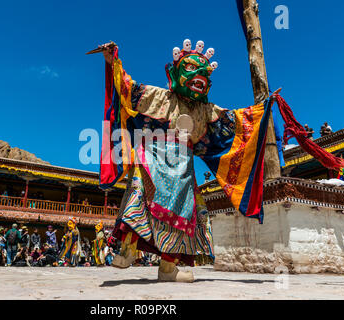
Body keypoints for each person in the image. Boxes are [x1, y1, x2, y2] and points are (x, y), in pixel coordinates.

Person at [97, 40, 276, 282]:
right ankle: (128, 249)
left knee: (185, 216)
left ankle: (168, 268)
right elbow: (128, 88)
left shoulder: (206, 111)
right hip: (153, 158)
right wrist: (113, 61)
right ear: (175, 73)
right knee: (138, 195)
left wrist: (262, 110)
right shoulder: (160, 97)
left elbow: (236, 122)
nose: (198, 76)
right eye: (191, 68)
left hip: (183, 169)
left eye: (203, 72)